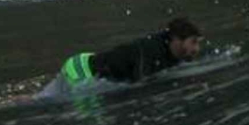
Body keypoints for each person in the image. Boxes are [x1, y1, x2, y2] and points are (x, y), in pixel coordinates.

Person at [37, 16, 204, 101]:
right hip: (81, 68)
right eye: (193, 43)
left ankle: (21, 98)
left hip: (90, 61)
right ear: (176, 40)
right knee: (89, 114)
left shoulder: (173, 52)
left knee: (44, 95)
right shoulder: (150, 51)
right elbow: (139, 85)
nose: (197, 49)